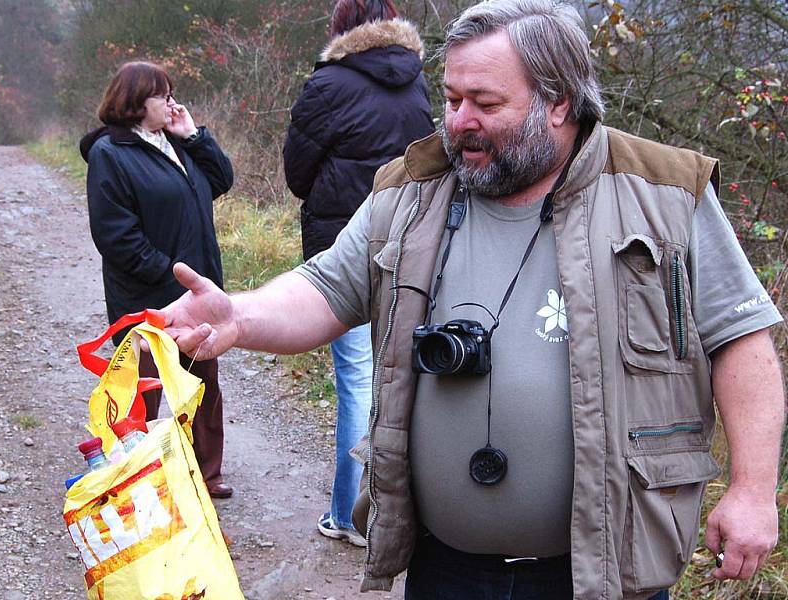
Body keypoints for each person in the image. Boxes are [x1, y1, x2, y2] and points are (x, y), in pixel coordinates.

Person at [155, 0, 785, 597]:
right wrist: (238, 314)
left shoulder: (665, 194)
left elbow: (740, 338)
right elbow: (325, 288)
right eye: (452, 98)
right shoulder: (411, 191)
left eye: (484, 102)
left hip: (606, 574)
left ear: (558, 102)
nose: (458, 122)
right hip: (444, 572)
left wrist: (753, 490)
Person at [283, 0, 434, 547]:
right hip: (416, 246)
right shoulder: (419, 84)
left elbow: (297, 174)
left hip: (340, 248)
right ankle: (412, 513)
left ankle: (350, 515)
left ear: (342, 28)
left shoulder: (328, 85)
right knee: (407, 378)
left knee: (357, 381)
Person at [80, 61, 235, 499]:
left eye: (171, 94)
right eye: (161, 96)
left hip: (196, 289)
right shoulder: (110, 154)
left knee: (203, 382)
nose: (171, 103)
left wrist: (194, 136)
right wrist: (170, 275)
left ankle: (205, 472)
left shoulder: (175, 144)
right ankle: (141, 473)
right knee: (145, 387)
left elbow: (221, 179)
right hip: (146, 295)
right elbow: (116, 236)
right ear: (134, 103)